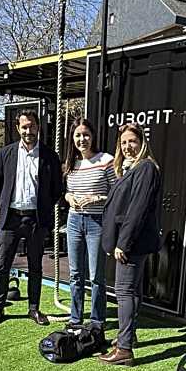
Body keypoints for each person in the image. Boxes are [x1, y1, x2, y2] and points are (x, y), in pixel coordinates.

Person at [0, 109, 63, 326]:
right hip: (10, 219)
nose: (28, 130)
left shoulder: (50, 156)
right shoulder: (5, 154)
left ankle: (34, 309)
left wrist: (44, 210)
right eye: (24, 127)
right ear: (17, 128)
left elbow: (56, 189)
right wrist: (5, 206)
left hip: (35, 221)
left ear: (38, 127)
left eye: (32, 126)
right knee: (2, 265)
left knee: (35, 267)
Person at [98, 123, 162, 366]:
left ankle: (124, 349)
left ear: (142, 142)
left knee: (124, 292)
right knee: (132, 292)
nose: (127, 147)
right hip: (133, 242)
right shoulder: (131, 169)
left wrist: (122, 243)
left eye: (132, 141)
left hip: (131, 244)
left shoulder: (145, 167)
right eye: (123, 142)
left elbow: (137, 209)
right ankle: (128, 337)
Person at [64, 118, 116, 329]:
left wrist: (98, 198)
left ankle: (97, 320)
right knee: (76, 274)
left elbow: (117, 192)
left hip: (96, 222)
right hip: (74, 220)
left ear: (93, 136)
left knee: (96, 276)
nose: (82, 139)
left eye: (85, 134)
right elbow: (66, 192)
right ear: (72, 138)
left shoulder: (106, 160)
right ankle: (75, 318)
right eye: (77, 135)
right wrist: (69, 198)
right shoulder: (71, 163)